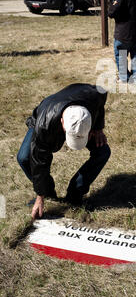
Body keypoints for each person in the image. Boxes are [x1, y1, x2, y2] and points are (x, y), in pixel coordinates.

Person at [16, 83, 111, 219]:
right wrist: (40, 196)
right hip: (45, 117)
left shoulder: (94, 95)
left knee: (103, 151)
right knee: (24, 157)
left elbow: (102, 97)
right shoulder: (44, 125)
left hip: (81, 116)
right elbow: (39, 160)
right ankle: (48, 194)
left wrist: (98, 128)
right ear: (62, 122)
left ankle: (74, 194)